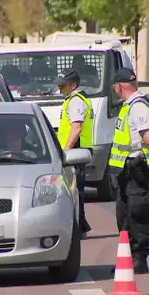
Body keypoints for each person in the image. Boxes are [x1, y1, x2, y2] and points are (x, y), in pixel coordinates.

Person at [108, 68, 149, 274]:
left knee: (137, 215)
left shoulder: (138, 107)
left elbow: (148, 138)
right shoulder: (129, 106)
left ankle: (139, 261)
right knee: (124, 216)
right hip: (127, 170)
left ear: (119, 86)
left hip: (138, 168)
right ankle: (127, 259)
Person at [54, 68, 93, 238]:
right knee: (74, 191)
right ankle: (80, 226)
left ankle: (80, 228)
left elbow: (76, 128)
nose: (59, 88)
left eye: (63, 85)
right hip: (74, 152)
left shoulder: (76, 101)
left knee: (75, 192)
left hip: (75, 153)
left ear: (74, 85)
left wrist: (65, 151)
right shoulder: (72, 99)